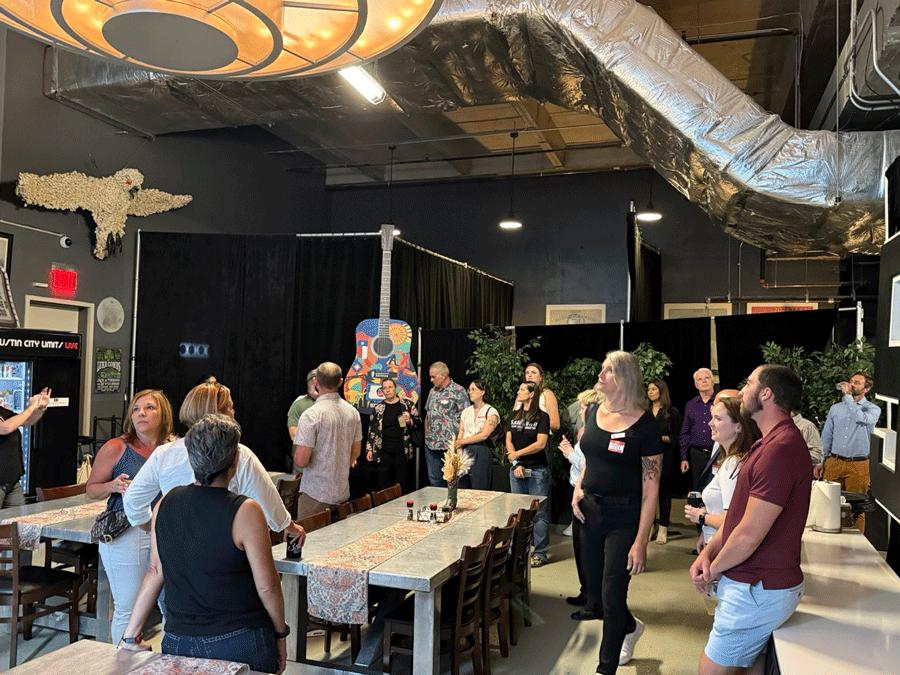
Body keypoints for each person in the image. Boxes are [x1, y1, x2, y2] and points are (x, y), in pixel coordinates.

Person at [121, 414, 288, 674]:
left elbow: (155, 571)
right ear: (235, 459)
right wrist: (280, 634)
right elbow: (267, 586)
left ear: (191, 459)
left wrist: (130, 635)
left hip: (178, 638)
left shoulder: (165, 502)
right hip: (238, 638)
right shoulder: (246, 511)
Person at [690, 365, 810, 675]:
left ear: (766, 393)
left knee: (710, 671)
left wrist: (712, 571)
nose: (743, 390)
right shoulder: (769, 444)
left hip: (757, 588)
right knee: (748, 666)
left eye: (750, 383)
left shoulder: (779, 449)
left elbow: (748, 535)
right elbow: (737, 518)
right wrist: (708, 553)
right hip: (753, 585)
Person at [572, 351, 662, 673]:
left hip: (623, 517)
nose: (600, 375)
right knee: (596, 593)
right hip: (588, 512)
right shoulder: (594, 410)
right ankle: (630, 626)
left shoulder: (646, 426)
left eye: (607, 370)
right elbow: (590, 457)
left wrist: (641, 541)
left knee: (612, 594)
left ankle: (605, 668)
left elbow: (651, 489)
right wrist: (578, 487)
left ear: (624, 378)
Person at [125, 381, 304, 542]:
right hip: (224, 545)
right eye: (230, 408)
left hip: (176, 550)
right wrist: (287, 526)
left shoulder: (164, 454)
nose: (233, 412)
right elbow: (267, 499)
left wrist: (153, 527)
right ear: (219, 414)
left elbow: (133, 501)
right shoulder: (238, 453)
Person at [86, 389, 175, 645]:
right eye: (136, 409)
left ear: (163, 413)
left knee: (170, 604)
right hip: (126, 532)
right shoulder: (116, 447)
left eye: (149, 408)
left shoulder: (174, 447)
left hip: (165, 529)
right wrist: (112, 486)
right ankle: (122, 661)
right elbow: (91, 489)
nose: (141, 413)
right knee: (129, 606)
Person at [684, 397, 760, 553]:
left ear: (738, 427)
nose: (710, 423)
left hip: (723, 549)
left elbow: (733, 520)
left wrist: (701, 516)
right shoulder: (735, 460)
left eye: (718, 419)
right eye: (712, 417)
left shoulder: (732, 464)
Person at [293, 362, 362, 518]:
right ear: (340, 382)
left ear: (315, 381)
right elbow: (356, 452)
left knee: (311, 535)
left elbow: (301, 461)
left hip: (315, 495)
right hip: (342, 493)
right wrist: (338, 467)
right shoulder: (353, 412)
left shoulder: (311, 415)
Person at [815, 372, 881, 532]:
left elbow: (861, 418)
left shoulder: (873, 409)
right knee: (826, 503)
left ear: (866, 389)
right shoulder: (836, 409)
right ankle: (828, 539)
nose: (851, 385)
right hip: (835, 462)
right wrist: (820, 461)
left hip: (858, 465)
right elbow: (827, 436)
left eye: (857, 383)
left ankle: (855, 543)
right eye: (851, 381)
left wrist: (848, 398)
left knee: (856, 509)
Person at [558, 388, 604, 610]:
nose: (580, 411)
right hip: (577, 490)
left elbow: (590, 465)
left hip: (587, 494)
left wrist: (570, 455)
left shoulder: (596, 433)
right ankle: (585, 592)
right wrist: (571, 451)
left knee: (588, 549)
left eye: (583, 407)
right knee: (579, 548)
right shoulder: (586, 430)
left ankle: (593, 600)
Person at [506, 381, 551, 567]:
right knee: (518, 512)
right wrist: (516, 462)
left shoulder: (542, 417)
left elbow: (540, 444)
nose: (518, 391)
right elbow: (508, 440)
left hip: (537, 470)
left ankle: (539, 553)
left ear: (532, 394)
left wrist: (518, 454)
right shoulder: (513, 415)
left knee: (538, 513)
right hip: (517, 469)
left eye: (522, 389)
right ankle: (517, 552)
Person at [365, 377, 420, 491]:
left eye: (390, 387)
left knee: (401, 482)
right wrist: (369, 449)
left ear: (395, 388)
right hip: (383, 451)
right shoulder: (378, 408)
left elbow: (418, 421)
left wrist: (409, 421)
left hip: (402, 450)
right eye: (384, 388)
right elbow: (371, 430)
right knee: (383, 483)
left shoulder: (407, 405)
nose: (387, 390)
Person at [0, 387, 51, 507]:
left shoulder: (2, 412)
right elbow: (6, 428)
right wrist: (31, 407)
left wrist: (40, 407)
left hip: (12, 481)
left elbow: (27, 421)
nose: (1, 393)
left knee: (19, 517)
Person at [647, 379, 681, 545]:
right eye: (649, 389)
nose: (650, 392)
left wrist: (660, 438)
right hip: (646, 457)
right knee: (648, 493)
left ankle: (663, 528)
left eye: (653, 389)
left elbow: (677, 437)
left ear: (661, 391)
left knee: (663, 492)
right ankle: (649, 527)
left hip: (665, 456)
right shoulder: (644, 411)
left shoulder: (672, 412)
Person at [423, 361, 468, 487]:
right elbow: (428, 414)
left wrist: (460, 441)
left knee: (454, 480)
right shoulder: (432, 391)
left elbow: (465, 418)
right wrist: (426, 436)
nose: (431, 380)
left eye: (433, 377)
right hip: (431, 445)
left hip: (450, 445)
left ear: (443, 375)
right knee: (435, 481)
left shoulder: (458, 391)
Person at [453, 380, 500, 490]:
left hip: (481, 450)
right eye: (469, 390)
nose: (470, 392)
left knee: (479, 487)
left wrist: (462, 441)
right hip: (465, 450)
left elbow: (484, 435)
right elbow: (461, 431)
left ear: (482, 392)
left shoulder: (491, 411)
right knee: (462, 487)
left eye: (473, 389)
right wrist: (459, 452)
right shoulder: (466, 411)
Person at [680, 367, 717, 489]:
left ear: (713, 381)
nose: (704, 381)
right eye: (700, 379)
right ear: (696, 385)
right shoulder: (690, 405)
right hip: (697, 455)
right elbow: (685, 432)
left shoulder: (721, 402)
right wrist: (684, 458)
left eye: (707, 378)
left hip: (717, 453)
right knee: (699, 489)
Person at [287, 369, 318, 448]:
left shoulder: (334, 403)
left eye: (318, 382)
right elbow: (293, 435)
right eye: (312, 382)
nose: (315, 385)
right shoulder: (299, 404)